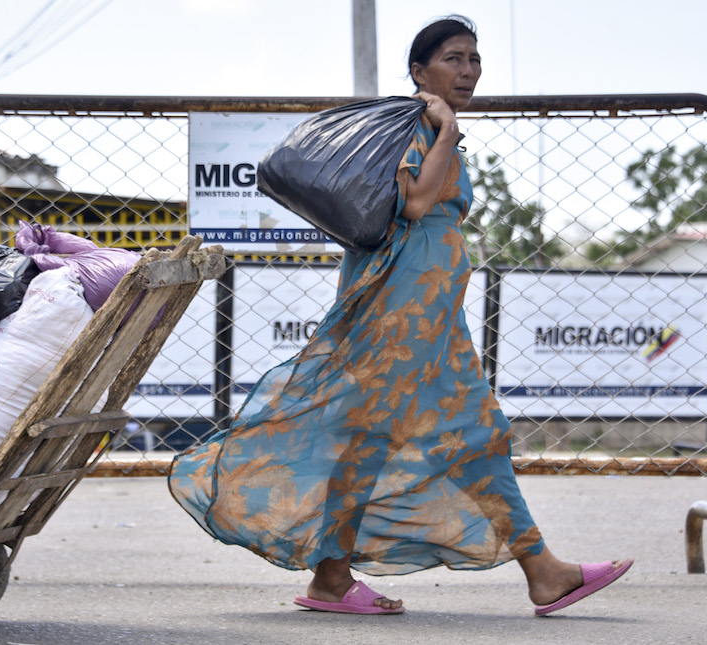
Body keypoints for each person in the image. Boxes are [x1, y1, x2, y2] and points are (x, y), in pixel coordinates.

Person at [169, 14, 632, 616]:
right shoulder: (422, 128)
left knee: (424, 437)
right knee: (436, 434)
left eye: (474, 59)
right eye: (454, 58)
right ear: (420, 71)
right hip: (402, 313)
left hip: (428, 312)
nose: (468, 70)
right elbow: (414, 204)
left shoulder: (429, 127)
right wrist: (446, 131)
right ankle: (538, 571)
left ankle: (346, 579)